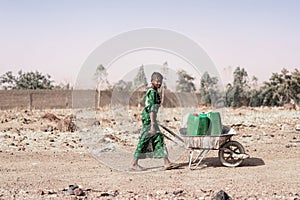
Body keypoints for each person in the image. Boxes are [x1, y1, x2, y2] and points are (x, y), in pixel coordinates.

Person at [130, 72, 180, 171]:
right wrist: (153, 124)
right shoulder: (152, 92)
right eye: (157, 81)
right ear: (152, 81)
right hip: (149, 119)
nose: (159, 83)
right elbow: (152, 109)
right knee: (145, 139)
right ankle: (133, 163)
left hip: (150, 118)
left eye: (160, 81)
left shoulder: (152, 91)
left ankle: (166, 162)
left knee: (158, 138)